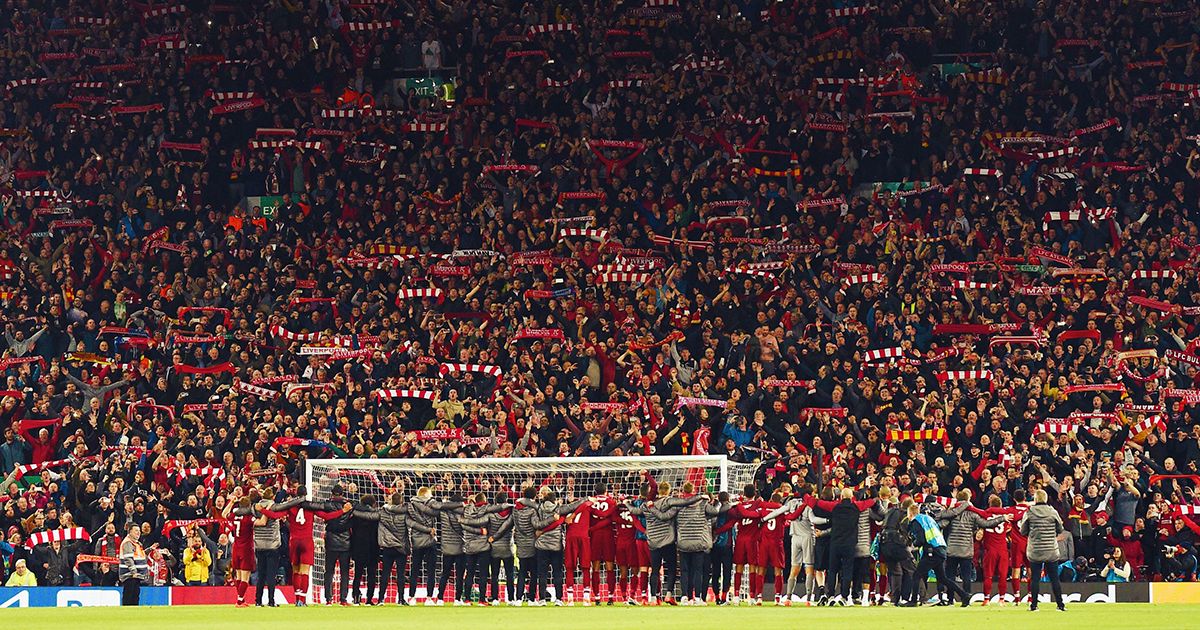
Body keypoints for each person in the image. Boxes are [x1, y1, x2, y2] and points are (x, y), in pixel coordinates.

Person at [805, 487, 878, 606]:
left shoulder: (834, 506)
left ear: (841, 497)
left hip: (835, 542)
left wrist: (805, 494)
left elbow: (816, 503)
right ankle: (844, 597)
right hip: (849, 544)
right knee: (847, 570)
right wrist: (871, 491)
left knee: (832, 570)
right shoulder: (857, 506)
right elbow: (872, 501)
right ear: (851, 497)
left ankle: (831, 596)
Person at [936, 490, 1009, 605]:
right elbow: (986, 524)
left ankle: (950, 599)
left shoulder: (951, 513)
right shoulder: (973, 515)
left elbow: (942, 524)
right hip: (966, 550)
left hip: (952, 549)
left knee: (950, 576)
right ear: (968, 500)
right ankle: (966, 600)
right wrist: (1002, 519)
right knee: (966, 577)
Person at [673, 483, 730, 604]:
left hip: (683, 542)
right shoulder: (703, 503)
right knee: (698, 570)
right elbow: (715, 512)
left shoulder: (678, 505)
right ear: (693, 490)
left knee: (685, 570)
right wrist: (719, 502)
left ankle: (685, 597)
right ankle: (698, 597)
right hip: (698, 541)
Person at [906, 500, 970, 607]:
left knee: (917, 575)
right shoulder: (927, 519)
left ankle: (913, 601)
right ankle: (964, 595)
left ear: (910, 513)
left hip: (931, 551)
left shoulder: (916, 521)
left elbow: (921, 540)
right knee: (943, 578)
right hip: (940, 549)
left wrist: (913, 544)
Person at [1019, 489, 1067, 612]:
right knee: (1054, 578)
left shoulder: (1029, 512)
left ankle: (1034, 606)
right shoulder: (1053, 512)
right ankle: (1060, 605)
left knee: (1035, 578)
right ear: (1046, 499)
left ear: (1035, 499)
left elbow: (1023, 531)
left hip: (1035, 550)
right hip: (1051, 549)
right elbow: (1060, 529)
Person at [407, 486, 442, 605]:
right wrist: (429, 530)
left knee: (415, 570)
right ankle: (429, 598)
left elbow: (412, 522)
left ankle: (411, 597)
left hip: (416, 541)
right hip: (430, 540)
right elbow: (437, 513)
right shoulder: (431, 505)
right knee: (431, 570)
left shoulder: (410, 505)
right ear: (426, 494)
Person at [378, 491, 412, 605]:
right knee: (400, 574)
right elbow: (411, 526)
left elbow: (372, 516)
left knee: (385, 573)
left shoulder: (383, 512)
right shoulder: (405, 514)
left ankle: (381, 599)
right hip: (401, 547)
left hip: (388, 546)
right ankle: (401, 599)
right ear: (401, 501)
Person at [350, 495, 382, 605]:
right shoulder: (376, 515)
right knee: (372, 574)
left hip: (358, 547)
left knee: (358, 574)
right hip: (373, 548)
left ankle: (355, 598)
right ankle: (369, 599)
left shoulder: (355, 513)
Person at [486, 491, 516, 604]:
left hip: (494, 548)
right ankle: (511, 599)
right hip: (508, 547)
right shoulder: (511, 513)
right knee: (509, 575)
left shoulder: (490, 513)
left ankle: (495, 598)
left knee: (494, 575)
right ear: (505, 501)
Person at [118, 523, 148, 606]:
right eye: (136, 531)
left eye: (139, 531)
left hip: (136, 575)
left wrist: (149, 549)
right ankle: (126, 615)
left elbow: (139, 556)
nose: (138, 533)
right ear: (129, 532)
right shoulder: (128, 543)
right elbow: (128, 558)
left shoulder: (136, 543)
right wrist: (134, 572)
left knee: (135, 596)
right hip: (130, 575)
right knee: (129, 597)